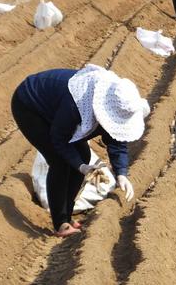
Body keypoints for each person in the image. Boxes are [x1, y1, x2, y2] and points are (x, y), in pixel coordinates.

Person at [11, 64, 150, 237]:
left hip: (55, 109)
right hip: (30, 105)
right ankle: (60, 223)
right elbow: (59, 138)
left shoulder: (114, 105)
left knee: (83, 155)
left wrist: (121, 172)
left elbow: (116, 140)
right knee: (60, 162)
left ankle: (67, 216)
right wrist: (81, 167)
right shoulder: (78, 103)